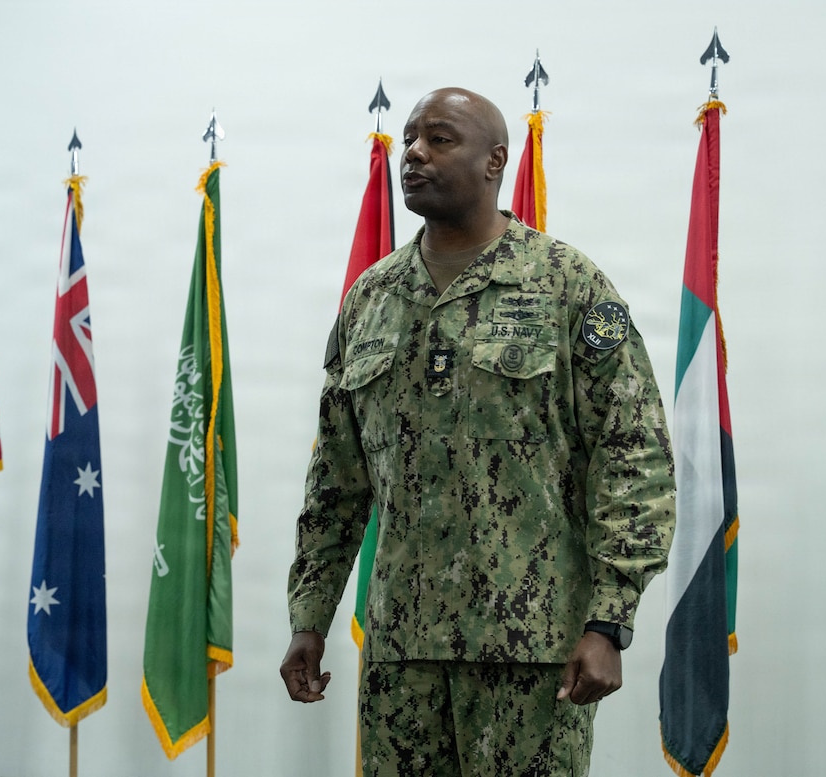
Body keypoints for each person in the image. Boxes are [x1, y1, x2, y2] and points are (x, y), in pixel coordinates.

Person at [281, 87, 676, 776]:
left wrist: (609, 620)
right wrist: (311, 616)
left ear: (495, 161)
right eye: (409, 139)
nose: (414, 153)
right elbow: (336, 482)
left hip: (533, 651)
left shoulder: (564, 284)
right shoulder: (371, 300)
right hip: (402, 651)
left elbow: (632, 455)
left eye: (438, 139)